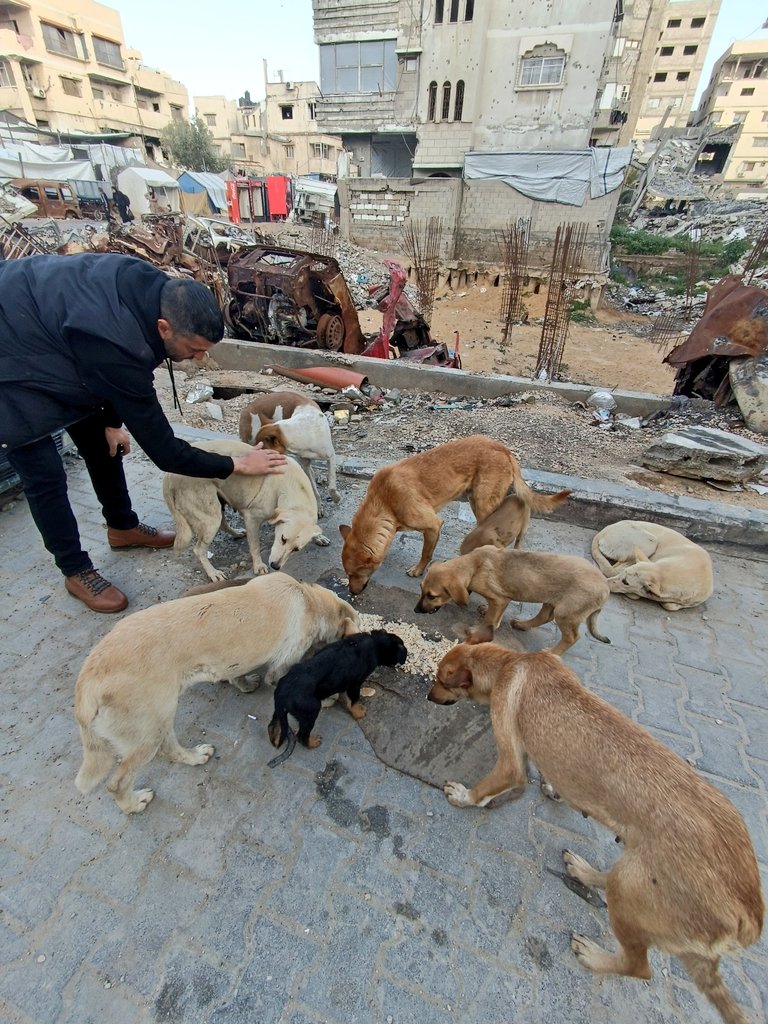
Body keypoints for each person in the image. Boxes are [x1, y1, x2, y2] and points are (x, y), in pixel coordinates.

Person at [0, 253, 287, 613]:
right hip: (12, 358)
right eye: (195, 349)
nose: (200, 359)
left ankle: (122, 528)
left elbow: (106, 374)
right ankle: (75, 569)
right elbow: (166, 452)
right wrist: (236, 464)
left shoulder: (151, 289)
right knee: (44, 473)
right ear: (164, 328)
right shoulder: (119, 346)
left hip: (61, 335)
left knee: (103, 442)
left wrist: (112, 422)